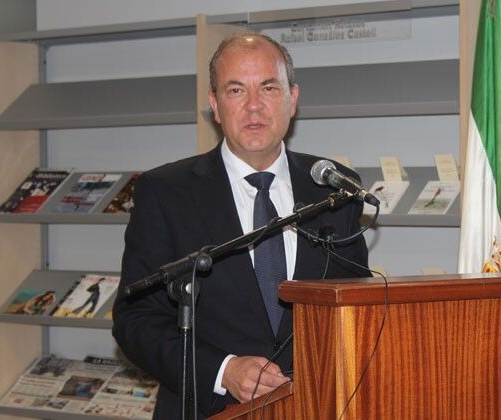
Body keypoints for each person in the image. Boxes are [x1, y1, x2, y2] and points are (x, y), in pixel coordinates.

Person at [112, 32, 370, 419]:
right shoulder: (166, 192)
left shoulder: (333, 187)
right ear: (215, 105)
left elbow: (356, 307)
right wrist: (223, 371)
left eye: (268, 87)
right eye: (236, 90)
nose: (254, 106)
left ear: (292, 99)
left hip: (315, 407)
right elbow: (135, 321)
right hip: (207, 409)